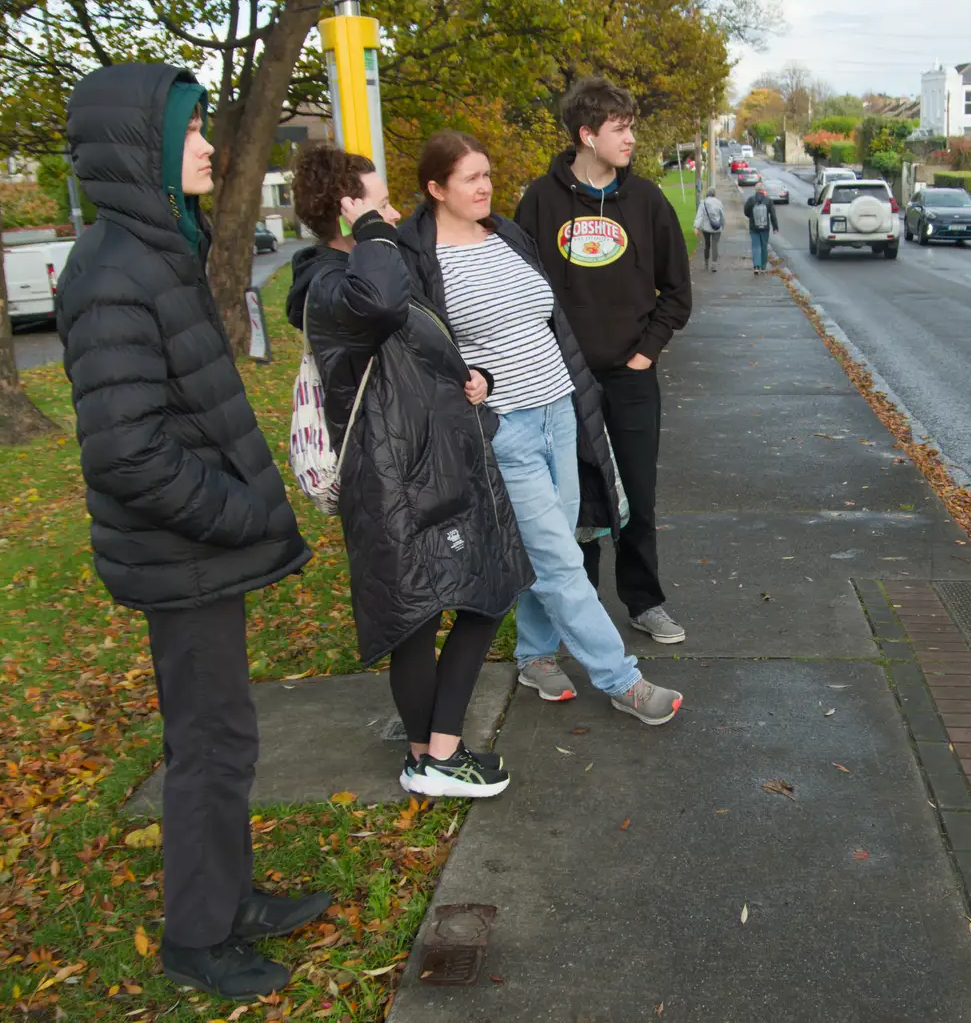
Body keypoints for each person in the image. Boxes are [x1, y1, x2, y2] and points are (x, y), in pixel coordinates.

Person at [56, 64, 325, 1001]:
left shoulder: (155, 248)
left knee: (224, 736)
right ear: (144, 150)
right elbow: (125, 453)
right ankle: (198, 937)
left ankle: (229, 895)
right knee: (208, 744)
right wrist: (242, 511)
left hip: (196, 551)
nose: (210, 144)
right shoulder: (113, 272)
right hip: (185, 553)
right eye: (193, 130)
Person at [399, 130, 683, 725]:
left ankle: (533, 655)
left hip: (561, 412)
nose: (485, 186)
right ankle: (621, 679)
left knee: (553, 547)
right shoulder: (418, 260)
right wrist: (466, 377)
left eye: (487, 174)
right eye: (470, 178)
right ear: (435, 188)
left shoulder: (505, 235)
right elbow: (416, 348)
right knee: (559, 560)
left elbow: (545, 317)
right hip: (506, 430)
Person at [285, 144, 533, 799]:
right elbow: (384, 303)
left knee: (456, 601)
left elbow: (422, 342)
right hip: (397, 478)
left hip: (428, 460)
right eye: (377, 200)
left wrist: (472, 379)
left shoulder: (368, 274)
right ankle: (442, 757)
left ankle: (428, 754)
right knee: (450, 605)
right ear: (347, 209)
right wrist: (368, 227)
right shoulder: (335, 286)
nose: (393, 213)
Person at [514, 76, 692, 645]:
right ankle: (581, 614)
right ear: (586, 135)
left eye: (631, 127)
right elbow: (520, 284)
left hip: (630, 379)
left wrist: (645, 354)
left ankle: (645, 603)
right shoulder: (540, 202)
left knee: (638, 497)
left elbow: (677, 292)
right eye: (620, 128)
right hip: (561, 383)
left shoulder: (647, 202)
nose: (632, 138)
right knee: (579, 504)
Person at [743, 182, 779, 274]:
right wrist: (775, 227)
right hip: (765, 228)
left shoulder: (751, 200)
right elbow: (773, 215)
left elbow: (746, 212)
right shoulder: (768, 200)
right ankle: (763, 267)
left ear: (755, 190)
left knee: (755, 246)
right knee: (764, 246)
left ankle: (756, 266)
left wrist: (751, 217)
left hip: (753, 227)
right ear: (763, 190)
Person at [694, 187, 724, 271]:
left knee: (707, 245)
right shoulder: (719, 202)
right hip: (717, 227)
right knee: (715, 245)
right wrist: (722, 225)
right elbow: (722, 216)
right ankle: (714, 264)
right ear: (714, 194)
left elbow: (699, 215)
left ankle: (706, 263)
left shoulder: (703, 203)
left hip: (706, 228)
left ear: (707, 194)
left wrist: (696, 227)